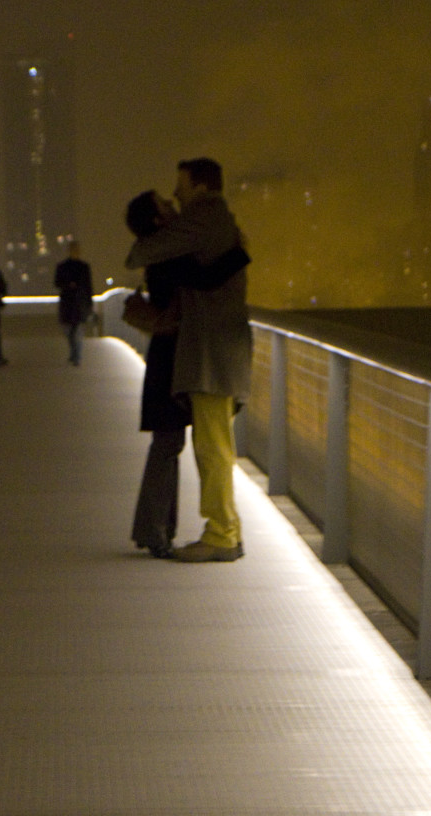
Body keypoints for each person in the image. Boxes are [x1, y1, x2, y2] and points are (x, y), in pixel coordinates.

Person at [126, 157, 251, 561]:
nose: (175, 194)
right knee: (203, 444)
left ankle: (221, 535)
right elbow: (203, 275)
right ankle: (221, 530)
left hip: (208, 354)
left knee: (209, 447)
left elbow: (140, 255)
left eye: (178, 185)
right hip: (201, 353)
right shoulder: (207, 224)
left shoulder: (202, 219)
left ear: (198, 185)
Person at [54, 241, 94, 365]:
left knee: (75, 329)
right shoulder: (78, 267)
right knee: (71, 330)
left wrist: (88, 302)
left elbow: (88, 286)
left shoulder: (69, 266)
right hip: (72, 302)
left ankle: (76, 355)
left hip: (76, 302)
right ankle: (75, 354)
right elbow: (57, 283)